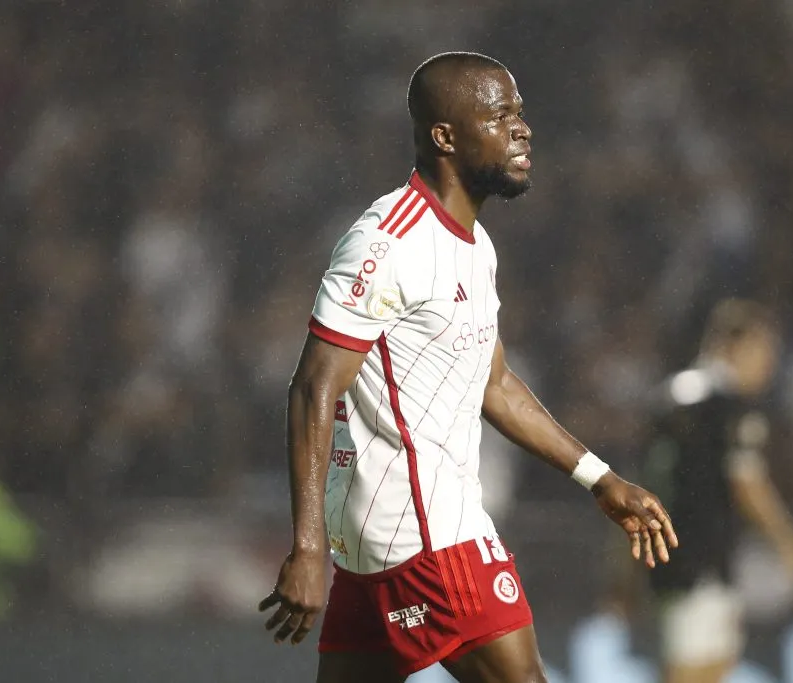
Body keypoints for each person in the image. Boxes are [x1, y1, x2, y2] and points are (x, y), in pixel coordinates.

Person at [258, 52, 679, 683]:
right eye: (500, 114)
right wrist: (308, 546)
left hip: (382, 553)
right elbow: (314, 386)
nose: (522, 128)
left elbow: (497, 384)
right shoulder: (387, 243)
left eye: (521, 112)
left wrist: (600, 479)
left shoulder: (474, 246)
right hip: (432, 543)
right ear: (445, 137)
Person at [638, 299, 793, 683]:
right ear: (739, 344)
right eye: (765, 351)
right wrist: (789, 541)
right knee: (697, 671)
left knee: (702, 664)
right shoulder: (728, 405)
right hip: (704, 561)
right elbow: (746, 481)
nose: (768, 365)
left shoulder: (670, 396)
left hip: (666, 557)